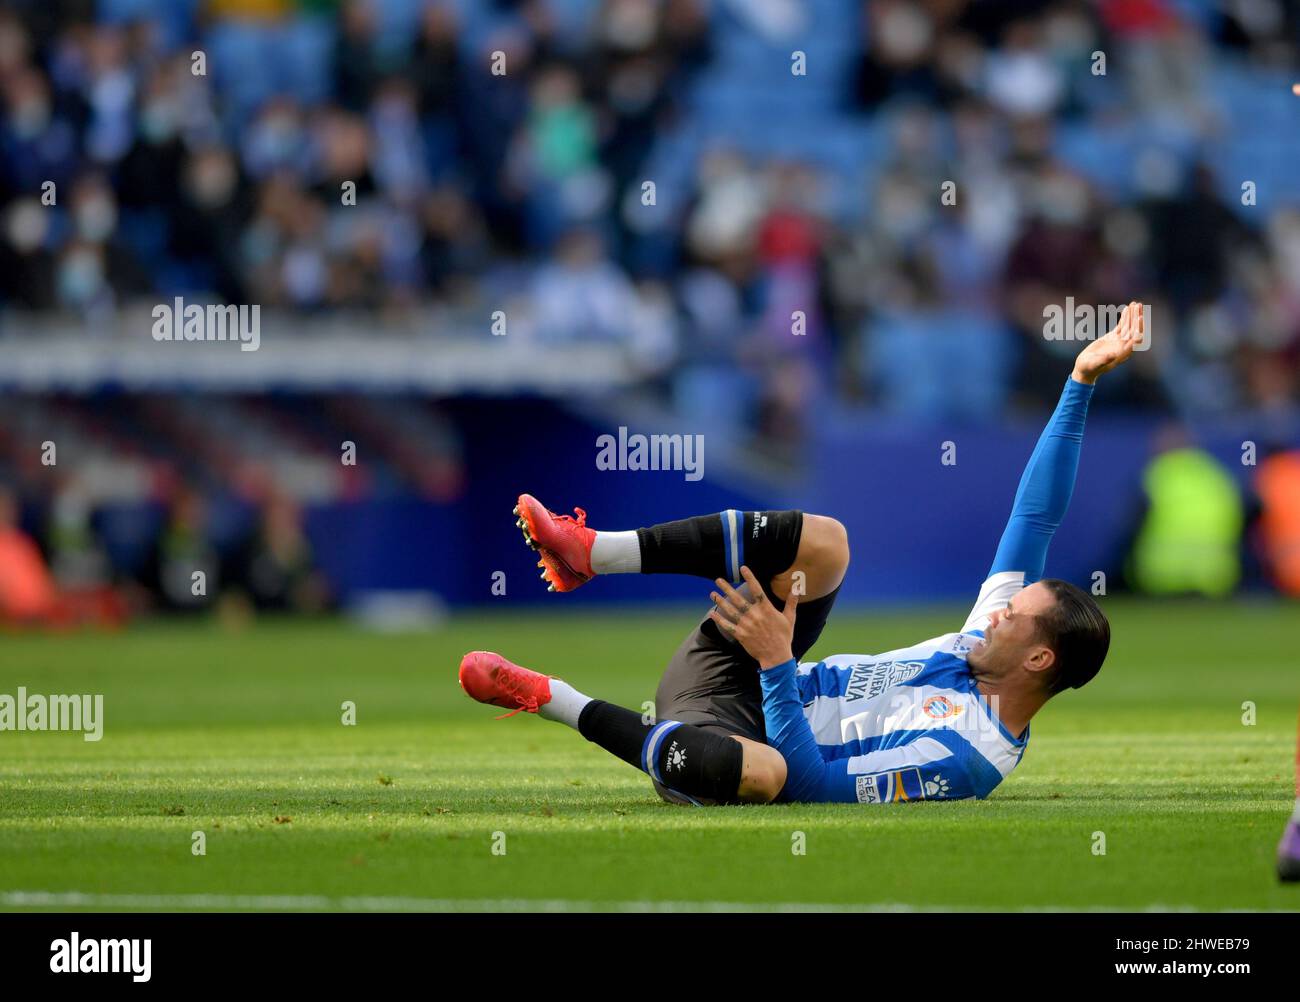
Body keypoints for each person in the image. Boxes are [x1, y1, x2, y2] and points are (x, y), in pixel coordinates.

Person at [457, 303, 1146, 805]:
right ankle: (593, 551)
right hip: (741, 664)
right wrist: (1081, 381)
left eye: (1011, 618)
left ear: (1038, 660)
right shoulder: (985, 643)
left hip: (722, 741)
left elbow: (815, 788)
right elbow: (1035, 515)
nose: (994, 613)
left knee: (769, 778)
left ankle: (551, 697)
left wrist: (776, 661)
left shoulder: (967, 760)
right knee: (827, 542)